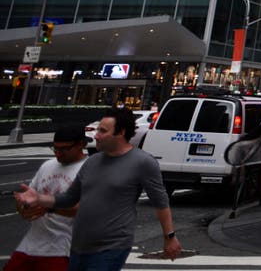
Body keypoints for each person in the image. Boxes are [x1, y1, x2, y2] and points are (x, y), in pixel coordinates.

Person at [14, 108, 181, 270]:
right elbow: (68, 199)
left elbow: (161, 203)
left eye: (102, 131)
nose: (96, 135)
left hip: (112, 247)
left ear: (121, 132)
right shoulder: (92, 162)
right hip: (79, 246)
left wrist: (170, 237)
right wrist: (39, 199)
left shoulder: (142, 162)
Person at [6, 126, 87, 271]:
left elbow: (85, 209)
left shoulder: (88, 169)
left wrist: (47, 207)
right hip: (31, 244)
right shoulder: (47, 166)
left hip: (63, 248)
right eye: (55, 149)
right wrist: (24, 207)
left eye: (64, 149)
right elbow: (30, 197)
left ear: (81, 144)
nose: (58, 154)